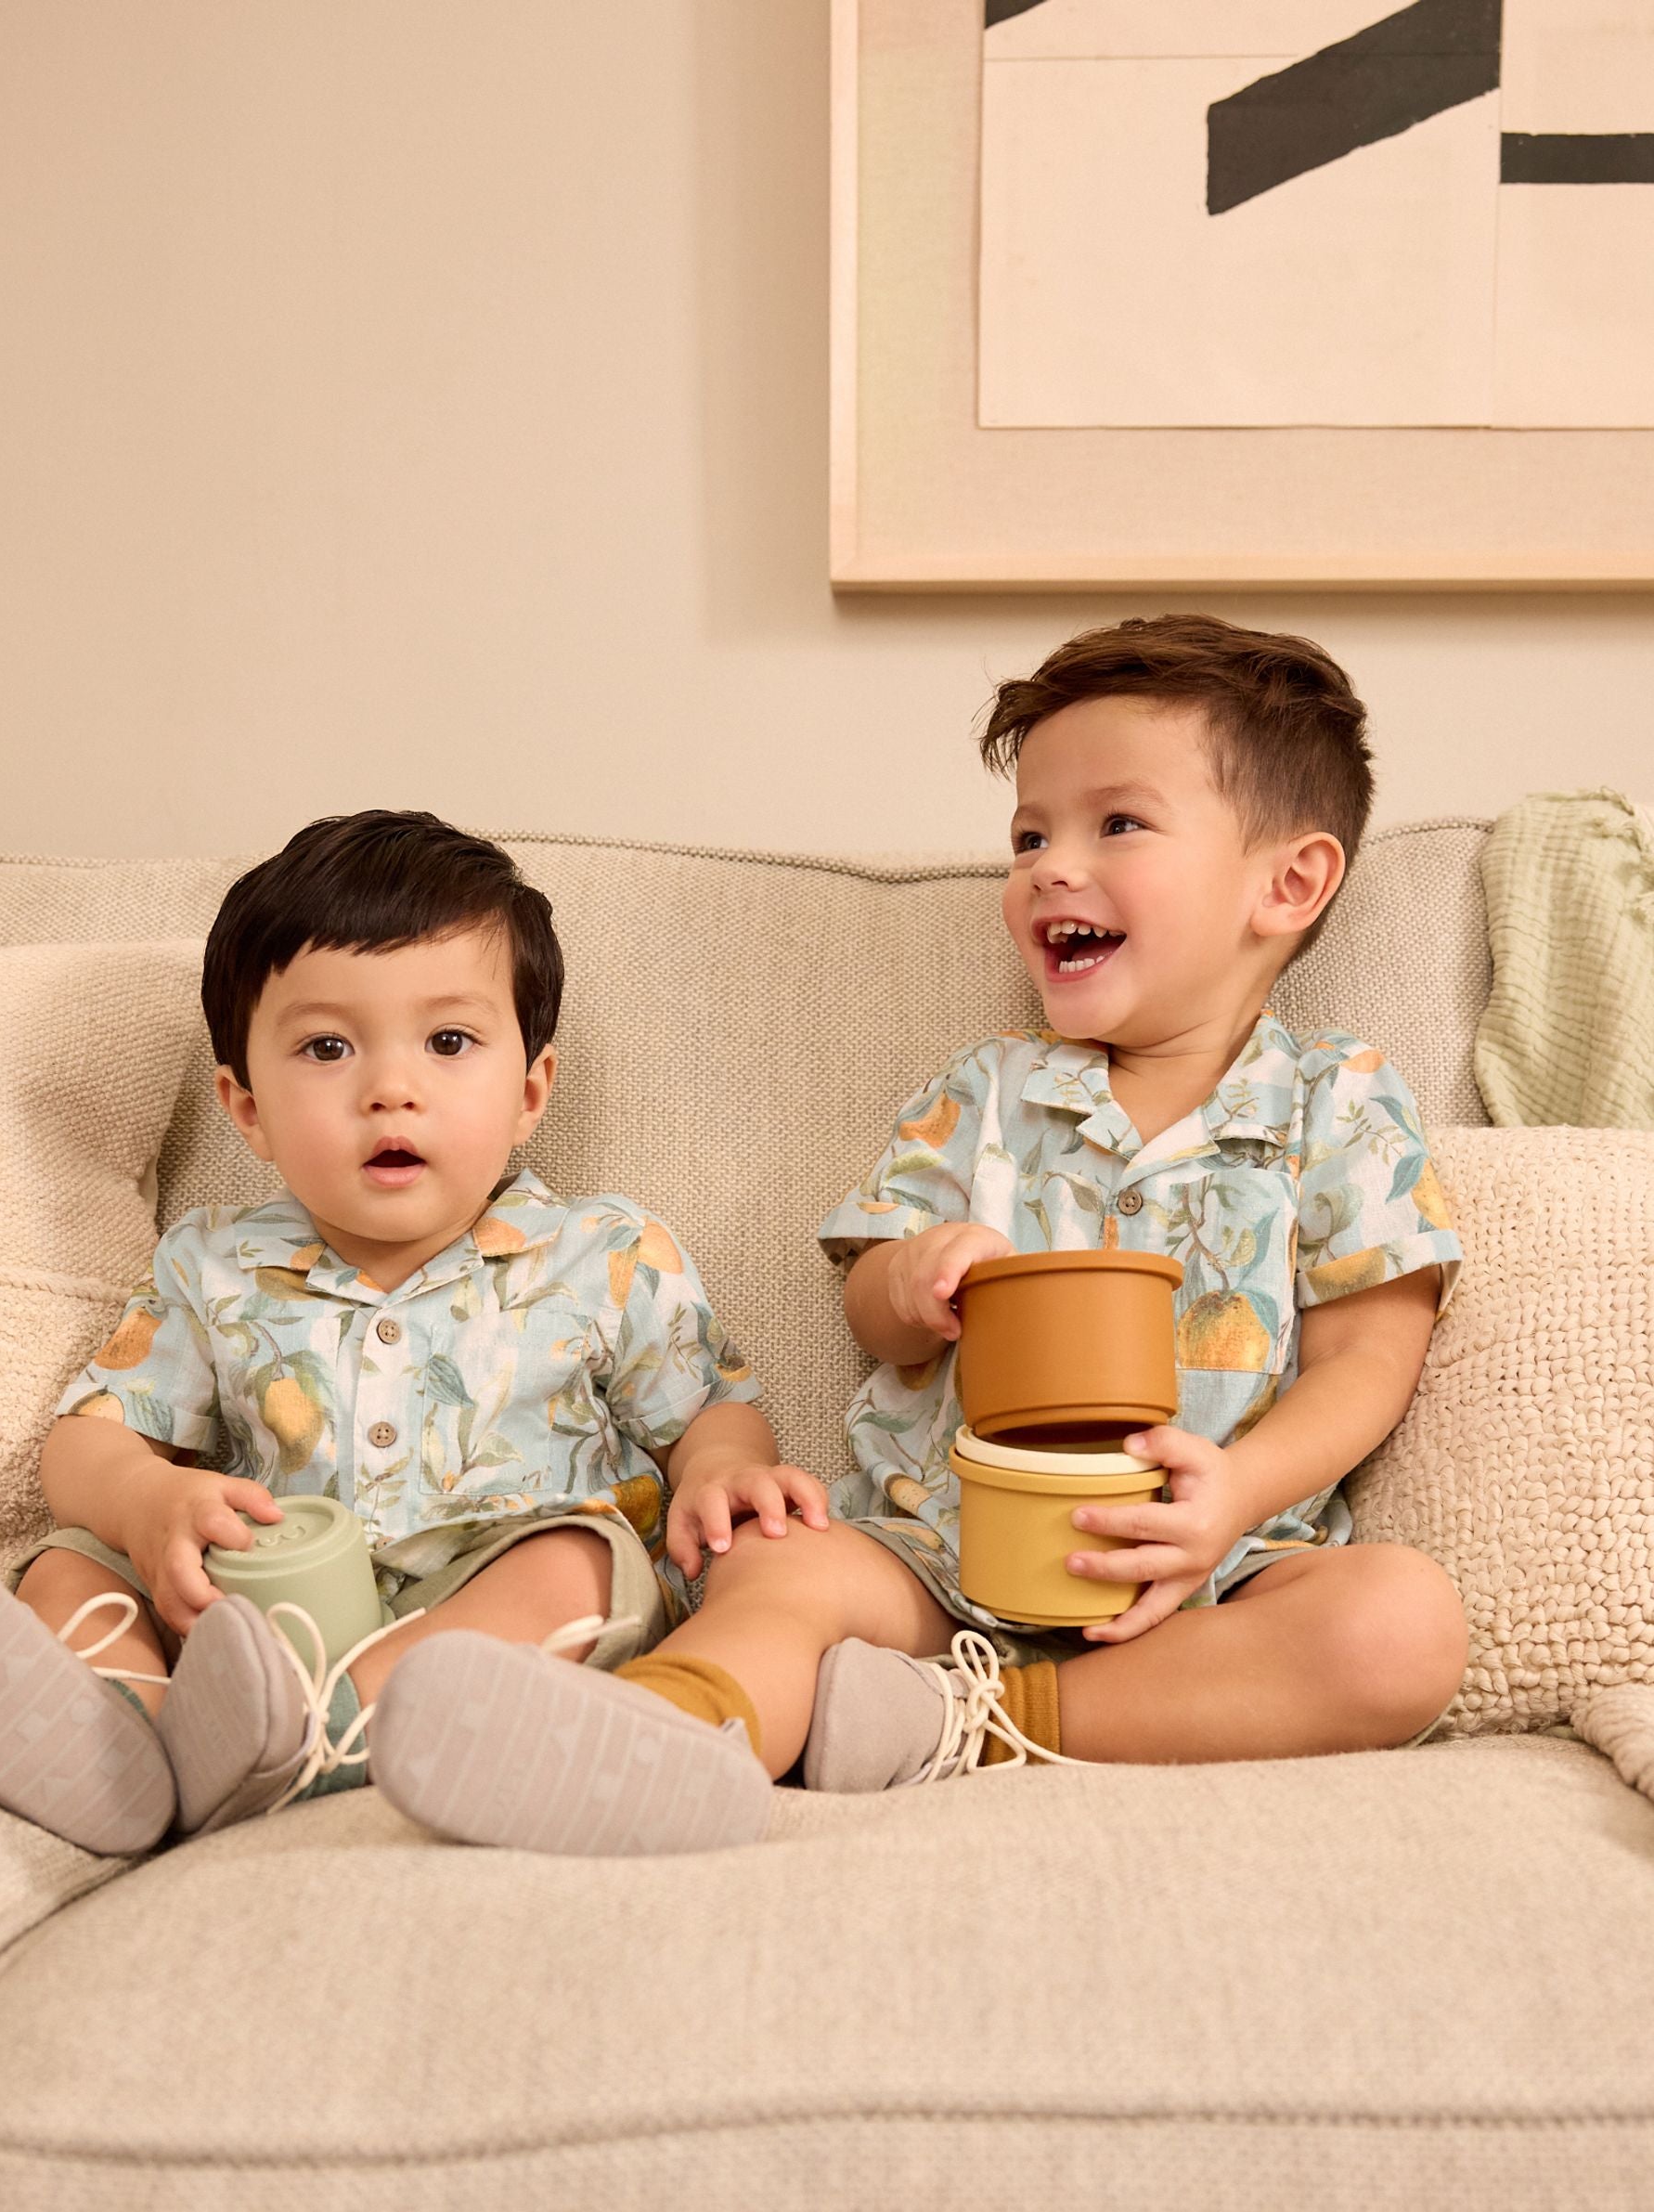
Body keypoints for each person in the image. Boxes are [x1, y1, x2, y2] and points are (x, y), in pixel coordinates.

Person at [471, 611, 1469, 1846]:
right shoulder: (985, 1095)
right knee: (777, 1573)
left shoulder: (1340, 1105)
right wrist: (913, 1280)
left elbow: (1371, 1360)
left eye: (1118, 823)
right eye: (1030, 834)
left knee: (1400, 1625)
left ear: (1289, 883)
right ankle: (657, 1736)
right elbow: (874, 1321)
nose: (1051, 865)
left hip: (1197, 1575)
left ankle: (977, 1722)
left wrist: (1236, 1492)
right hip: (938, 1556)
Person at [0, 810, 825, 1859]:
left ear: (529, 1094)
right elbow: (89, 1439)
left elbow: (713, 1409)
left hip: (481, 1601)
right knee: (69, 1560)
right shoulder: (212, 1265)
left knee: (585, 1561)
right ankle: (131, 1749)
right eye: (328, 1047)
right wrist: (150, 1502)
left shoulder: (602, 1253)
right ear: (247, 1111)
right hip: (256, 1613)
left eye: (448, 1041)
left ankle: (317, 1745)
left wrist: (721, 1474)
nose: (392, 1086)